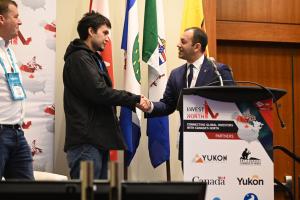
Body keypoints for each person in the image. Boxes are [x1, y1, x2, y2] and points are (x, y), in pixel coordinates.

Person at [63, 11, 147, 179]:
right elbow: (99, 92)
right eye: (105, 32)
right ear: (91, 32)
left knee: (100, 194)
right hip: (86, 144)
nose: (108, 38)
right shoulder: (79, 58)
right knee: (86, 194)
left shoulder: (93, 58)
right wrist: (134, 99)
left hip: (97, 141)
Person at [144, 27, 235, 166]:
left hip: (216, 145)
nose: (178, 45)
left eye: (183, 42)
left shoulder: (218, 71)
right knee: (192, 188)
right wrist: (149, 106)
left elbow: (233, 102)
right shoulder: (176, 74)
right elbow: (168, 105)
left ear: (197, 46)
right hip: (188, 146)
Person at [0, 0, 34, 180]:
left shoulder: (9, 52)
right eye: (16, 17)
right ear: (1, 19)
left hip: (17, 133)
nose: (20, 22)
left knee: (28, 191)